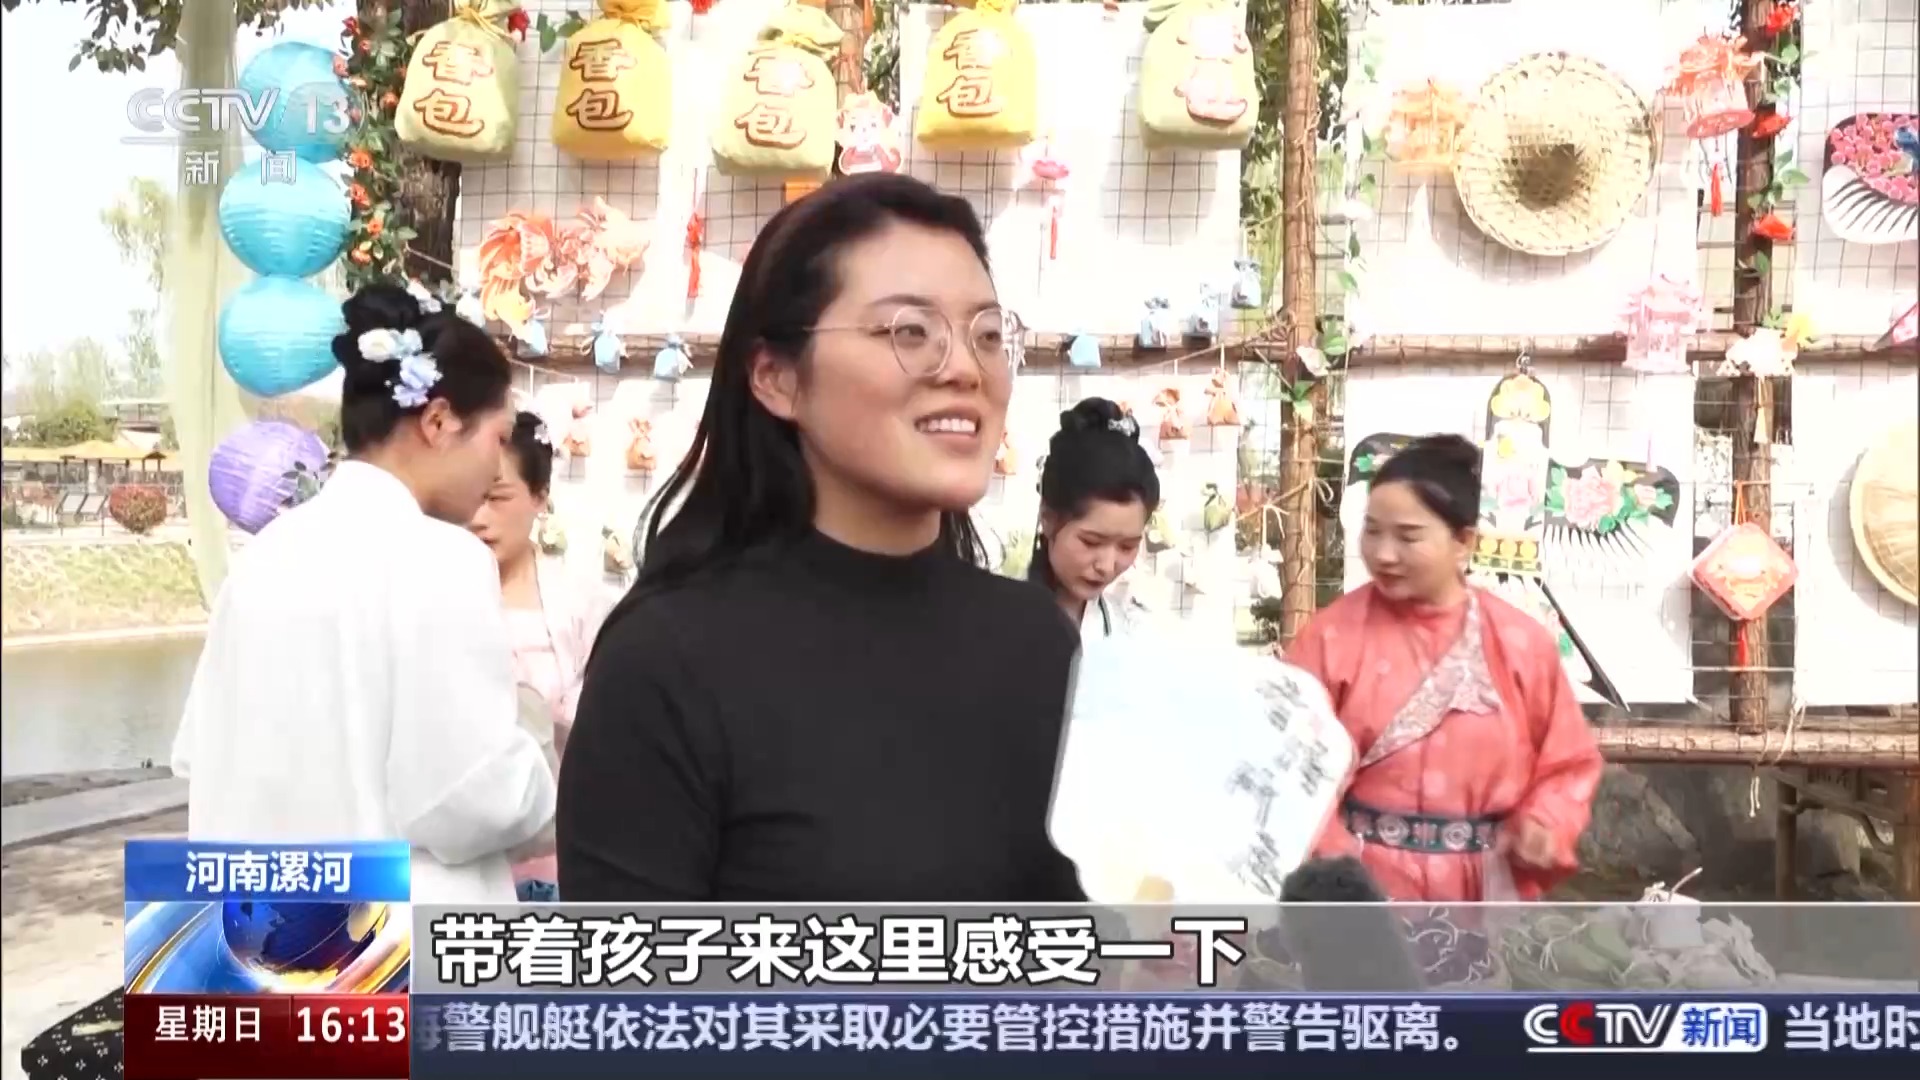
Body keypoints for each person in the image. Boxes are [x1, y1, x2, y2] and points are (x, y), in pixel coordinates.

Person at [558, 172, 1085, 902]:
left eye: (988, 335)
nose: (966, 368)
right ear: (777, 378)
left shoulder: (1039, 641)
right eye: (910, 332)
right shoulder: (668, 662)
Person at [170, 284, 556, 903]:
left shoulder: (262, 557)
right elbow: (466, 796)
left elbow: (201, 757)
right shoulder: (443, 559)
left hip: (253, 931)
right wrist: (539, 757)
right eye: (498, 438)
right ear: (438, 421)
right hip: (391, 940)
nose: (494, 470)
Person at [1281, 434, 1602, 903]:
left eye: (1408, 536)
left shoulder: (1520, 644)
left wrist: (1544, 822)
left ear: (1463, 542)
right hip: (1357, 891)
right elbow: (1286, 762)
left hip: (1483, 893)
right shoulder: (1330, 637)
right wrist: (1333, 865)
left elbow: (1567, 763)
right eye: (1372, 531)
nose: (1383, 553)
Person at [468, 410, 612, 902]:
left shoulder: (582, 604)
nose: (477, 517)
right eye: (470, 496)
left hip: (565, 853)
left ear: (539, 498)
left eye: (497, 497)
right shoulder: (433, 601)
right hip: (464, 861)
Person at [1028, 397, 1161, 639]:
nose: (1106, 566)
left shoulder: (1135, 633)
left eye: (1127, 546)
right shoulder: (991, 623)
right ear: (1048, 519)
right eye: (1091, 542)